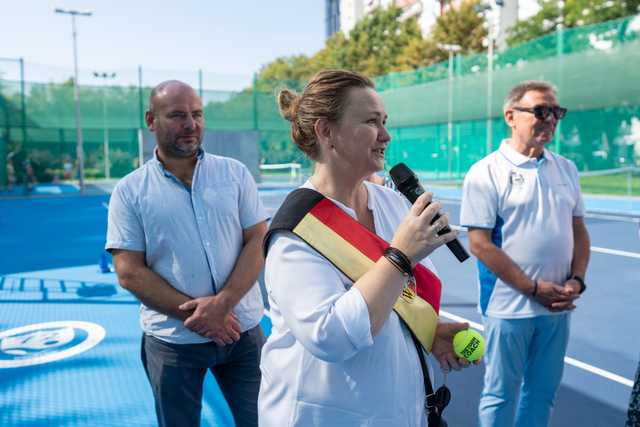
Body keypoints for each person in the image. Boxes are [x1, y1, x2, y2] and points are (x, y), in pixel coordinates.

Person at [259, 69, 474, 427]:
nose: (386, 135)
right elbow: (330, 337)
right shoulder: (295, 232)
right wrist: (400, 255)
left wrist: (428, 330)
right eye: (372, 122)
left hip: (400, 411)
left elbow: (399, 299)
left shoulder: (391, 203)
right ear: (327, 131)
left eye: (385, 122)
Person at [106, 80, 269, 427]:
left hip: (243, 332)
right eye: (177, 115)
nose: (191, 125)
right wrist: (202, 316)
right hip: (173, 342)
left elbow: (258, 239)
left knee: (264, 420)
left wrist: (223, 304)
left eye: (196, 114)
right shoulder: (130, 191)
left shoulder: (234, 173)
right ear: (151, 121)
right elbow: (129, 271)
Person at [460, 80, 591, 427]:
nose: (550, 119)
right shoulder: (485, 172)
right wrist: (532, 288)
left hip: (558, 306)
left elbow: (579, 231)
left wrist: (577, 281)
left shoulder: (566, 169)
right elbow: (480, 244)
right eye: (540, 111)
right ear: (510, 116)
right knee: (500, 394)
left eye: (556, 112)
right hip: (508, 307)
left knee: (542, 392)